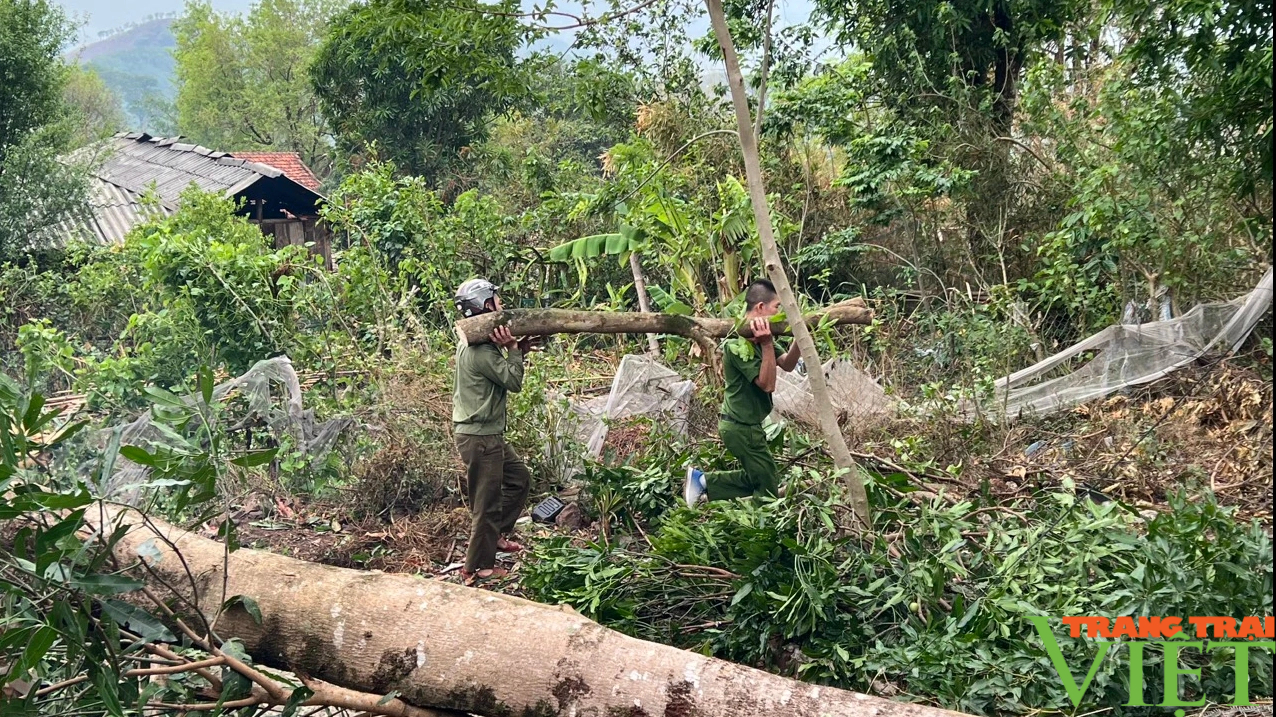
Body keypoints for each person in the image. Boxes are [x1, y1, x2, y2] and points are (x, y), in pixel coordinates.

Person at [684, 279, 801, 506]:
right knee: (767, 483)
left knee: (756, 476)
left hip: (746, 426)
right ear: (760, 308)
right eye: (776, 307)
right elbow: (767, 384)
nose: (778, 313)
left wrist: (801, 337)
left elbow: (786, 363)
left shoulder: (760, 339)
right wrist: (767, 344)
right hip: (741, 428)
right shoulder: (736, 345)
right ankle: (760, 530)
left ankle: (702, 481)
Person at [452, 278, 534, 585]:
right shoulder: (482, 352)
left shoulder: (477, 344)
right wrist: (513, 349)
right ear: (486, 306)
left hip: (486, 435)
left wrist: (517, 352)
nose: (502, 305)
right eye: (497, 300)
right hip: (480, 437)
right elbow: (513, 382)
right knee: (485, 504)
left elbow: (503, 375)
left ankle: (495, 535)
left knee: (519, 478)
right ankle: (478, 567)